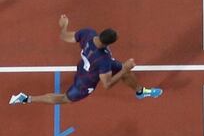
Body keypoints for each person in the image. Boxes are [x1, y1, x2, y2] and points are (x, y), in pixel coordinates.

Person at [9, 15, 162, 105]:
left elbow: (64, 36)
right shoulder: (103, 60)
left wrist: (64, 26)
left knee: (125, 73)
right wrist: (125, 68)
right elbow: (107, 84)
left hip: (85, 65)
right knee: (65, 98)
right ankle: (26, 98)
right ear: (109, 44)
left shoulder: (88, 33)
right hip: (86, 81)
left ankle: (141, 92)